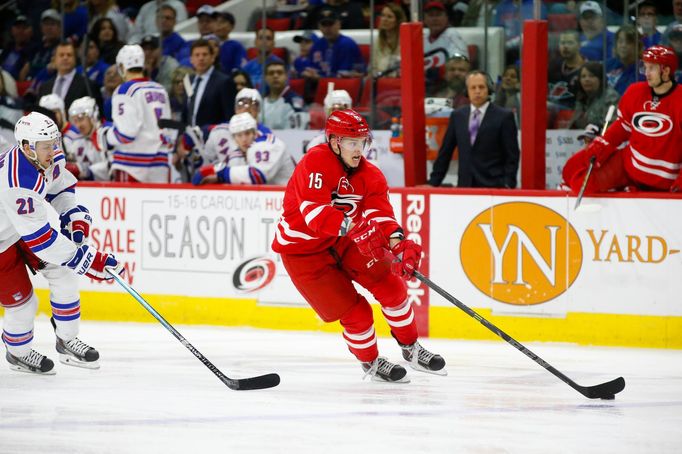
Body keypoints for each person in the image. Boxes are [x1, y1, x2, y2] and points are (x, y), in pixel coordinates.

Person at [271, 109, 446, 383]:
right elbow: (314, 214)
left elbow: (382, 215)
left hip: (344, 241)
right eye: (352, 142)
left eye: (362, 142)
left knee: (391, 287)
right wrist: (354, 227)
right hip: (303, 252)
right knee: (358, 314)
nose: (358, 149)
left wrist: (398, 243)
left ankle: (411, 349)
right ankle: (371, 363)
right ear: (334, 142)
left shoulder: (371, 175)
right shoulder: (315, 161)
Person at [0, 111, 124, 374]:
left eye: (55, 143)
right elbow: (42, 240)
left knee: (63, 272)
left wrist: (71, 213)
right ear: (26, 147)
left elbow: (59, 186)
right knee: (24, 305)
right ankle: (18, 353)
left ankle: (67, 340)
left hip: (21, 228)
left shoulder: (45, 154)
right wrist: (90, 260)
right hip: (1, 242)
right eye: (47, 146)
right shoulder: (16, 181)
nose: (53, 150)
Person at [562, 45, 682, 194]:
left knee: (582, 182)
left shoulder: (680, 100)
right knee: (577, 177)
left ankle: (623, 186)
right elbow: (623, 127)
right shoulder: (635, 92)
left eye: (651, 68)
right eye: (645, 67)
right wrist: (603, 143)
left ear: (666, 71)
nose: (647, 73)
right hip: (628, 164)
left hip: (662, 178)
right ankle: (622, 185)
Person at [93, 44, 172, 183]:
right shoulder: (160, 89)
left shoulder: (126, 90)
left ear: (122, 67)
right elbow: (169, 131)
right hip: (160, 164)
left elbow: (125, 134)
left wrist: (104, 136)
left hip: (132, 166)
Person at [428, 70, 520, 188]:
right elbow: (445, 152)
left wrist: (508, 184)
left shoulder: (504, 116)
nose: (477, 91)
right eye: (473, 88)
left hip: (494, 186)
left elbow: (512, 156)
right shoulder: (458, 116)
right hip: (465, 186)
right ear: (467, 91)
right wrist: (433, 183)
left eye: (481, 87)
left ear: (489, 89)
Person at [192, 112, 295, 186]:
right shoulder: (246, 150)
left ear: (255, 133)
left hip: (296, 200)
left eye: (247, 133)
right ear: (233, 138)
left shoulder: (265, 144)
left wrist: (220, 172)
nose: (244, 139)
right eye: (239, 135)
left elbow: (258, 175)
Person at [38, 41, 103, 114]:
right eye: (61, 55)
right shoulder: (45, 87)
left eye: (69, 55)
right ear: (54, 60)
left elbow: (97, 113)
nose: (65, 58)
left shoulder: (88, 85)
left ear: (75, 59)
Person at [184, 39, 236, 127]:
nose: (201, 58)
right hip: (190, 137)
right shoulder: (188, 80)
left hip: (214, 136)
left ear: (212, 58)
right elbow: (185, 113)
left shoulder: (223, 81)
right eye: (197, 55)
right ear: (191, 59)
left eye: (205, 54)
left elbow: (229, 115)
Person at [304, 7, 365, 81]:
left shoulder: (347, 44)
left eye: (330, 24)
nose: (327, 28)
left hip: (345, 88)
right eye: (324, 24)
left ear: (339, 24)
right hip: (320, 86)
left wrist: (320, 78)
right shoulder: (317, 45)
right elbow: (311, 67)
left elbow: (344, 76)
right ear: (319, 26)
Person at [63, 96, 110, 181]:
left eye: (81, 119)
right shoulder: (77, 141)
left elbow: (112, 166)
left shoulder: (108, 135)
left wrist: (85, 170)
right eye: (75, 121)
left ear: (93, 116)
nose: (78, 125)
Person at [568, 62, 619, 130]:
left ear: (600, 79)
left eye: (591, 76)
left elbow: (611, 125)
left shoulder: (611, 97)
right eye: (583, 76)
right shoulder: (581, 97)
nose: (587, 79)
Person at [548, 30, 585, 110]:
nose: (565, 46)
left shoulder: (586, 69)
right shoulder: (553, 66)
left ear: (579, 45)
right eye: (562, 43)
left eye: (570, 43)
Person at [262, 61, 304, 130]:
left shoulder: (295, 99)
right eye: (271, 73)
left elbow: (300, 126)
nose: (275, 76)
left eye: (279, 73)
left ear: (286, 76)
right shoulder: (262, 101)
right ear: (265, 78)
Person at [606, 26, 645, 96]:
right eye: (620, 41)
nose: (623, 46)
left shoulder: (644, 70)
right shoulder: (607, 65)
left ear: (638, 46)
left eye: (628, 42)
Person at [372, 3, 406, 78]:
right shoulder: (377, 41)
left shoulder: (405, 41)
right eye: (383, 15)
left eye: (389, 17)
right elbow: (372, 68)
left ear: (398, 21)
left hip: (399, 82)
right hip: (381, 82)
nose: (384, 19)